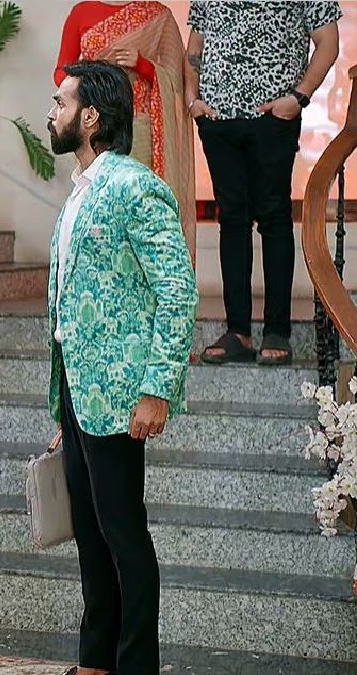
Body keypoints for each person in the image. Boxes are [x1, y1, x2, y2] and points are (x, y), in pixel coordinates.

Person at [46, 61, 197, 675]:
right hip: (78, 396)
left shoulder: (136, 186)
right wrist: (62, 407)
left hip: (120, 395)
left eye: (61, 103)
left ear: (90, 117)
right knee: (90, 536)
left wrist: (157, 388)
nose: (51, 113)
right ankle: (95, 662)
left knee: (124, 538)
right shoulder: (80, 190)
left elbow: (177, 292)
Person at [189, 1, 341, 366]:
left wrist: (298, 97)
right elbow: (195, 44)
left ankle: (277, 331)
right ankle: (237, 331)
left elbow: (329, 42)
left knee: (274, 216)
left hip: (274, 117)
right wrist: (194, 100)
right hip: (218, 119)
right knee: (232, 219)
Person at [54, 1, 196, 263]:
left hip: (140, 127)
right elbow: (61, 74)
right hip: (93, 127)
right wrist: (94, 76)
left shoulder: (157, 15)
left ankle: (145, 271)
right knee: (97, 203)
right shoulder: (81, 13)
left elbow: (176, 81)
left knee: (137, 203)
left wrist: (142, 64)